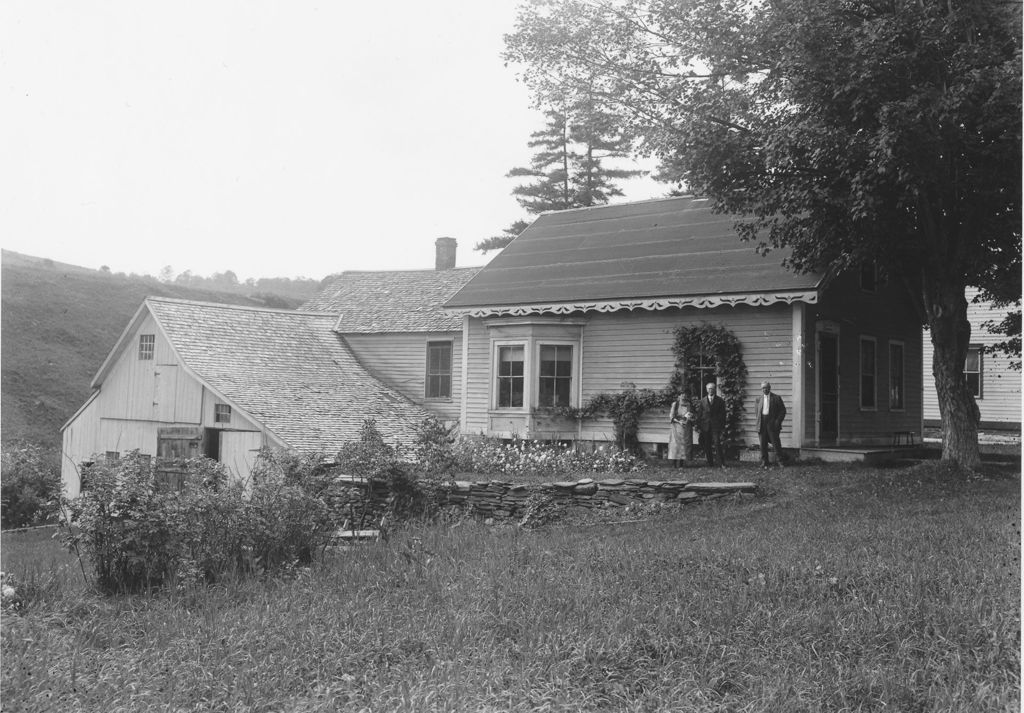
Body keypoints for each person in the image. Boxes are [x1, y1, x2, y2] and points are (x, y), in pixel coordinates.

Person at [755, 381, 787, 468]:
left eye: (766, 387)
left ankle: (780, 461)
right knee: (763, 444)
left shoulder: (776, 398)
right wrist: (759, 422)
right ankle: (764, 461)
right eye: (763, 388)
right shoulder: (758, 399)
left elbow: (783, 411)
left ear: (769, 388)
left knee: (776, 443)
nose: (764, 389)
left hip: (772, 423)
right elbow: (757, 412)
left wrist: (777, 421)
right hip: (762, 423)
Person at [695, 382, 727, 468]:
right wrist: (699, 425)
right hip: (705, 426)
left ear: (715, 389)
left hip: (716, 426)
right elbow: (699, 414)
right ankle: (710, 463)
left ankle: (721, 463)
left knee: (717, 443)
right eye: (709, 388)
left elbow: (723, 414)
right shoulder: (703, 401)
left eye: (712, 388)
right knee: (707, 444)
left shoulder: (720, 401)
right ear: (706, 390)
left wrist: (721, 425)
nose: (711, 390)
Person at [667, 391, 694, 467]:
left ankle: (681, 464)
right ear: (679, 396)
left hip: (685, 427)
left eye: (685, 395)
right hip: (676, 427)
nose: (683, 397)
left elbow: (690, 415)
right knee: (675, 445)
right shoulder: (675, 404)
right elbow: (671, 416)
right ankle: (674, 463)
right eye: (682, 395)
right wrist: (679, 422)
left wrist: (689, 417)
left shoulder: (688, 405)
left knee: (683, 445)